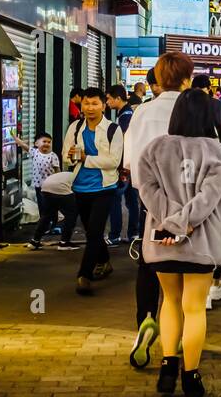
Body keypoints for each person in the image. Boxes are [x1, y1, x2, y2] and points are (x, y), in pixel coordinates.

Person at [137, 89, 221, 397]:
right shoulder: (217, 151)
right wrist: (185, 222)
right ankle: (191, 377)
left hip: (162, 241)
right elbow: (209, 197)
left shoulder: (154, 149)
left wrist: (170, 221)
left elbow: (147, 190)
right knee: (194, 308)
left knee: (169, 302)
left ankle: (168, 365)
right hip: (201, 244)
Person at [125, 54, 195, 367]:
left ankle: (147, 318)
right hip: (188, 202)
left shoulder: (143, 112)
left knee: (149, 262)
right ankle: (177, 334)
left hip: (151, 200)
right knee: (184, 266)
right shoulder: (195, 109)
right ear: (187, 79)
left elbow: (129, 161)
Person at [63, 88, 123, 295]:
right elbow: (65, 155)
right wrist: (71, 156)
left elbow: (113, 161)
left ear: (103, 106)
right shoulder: (75, 127)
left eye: (95, 103)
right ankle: (104, 261)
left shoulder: (113, 129)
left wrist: (86, 158)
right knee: (91, 231)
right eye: (86, 104)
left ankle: (84, 275)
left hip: (104, 187)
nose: (90, 108)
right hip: (80, 187)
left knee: (95, 232)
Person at [15, 131, 61, 248]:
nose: (47, 144)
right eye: (44, 141)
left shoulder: (53, 156)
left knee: (52, 207)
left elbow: (57, 171)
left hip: (50, 187)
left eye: (49, 142)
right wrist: (16, 140)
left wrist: (59, 182)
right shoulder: (35, 152)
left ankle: (53, 226)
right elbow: (25, 146)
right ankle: (44, 226)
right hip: (39, 186)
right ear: (36, 143)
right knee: (42, 207)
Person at [106, 84, 139, 245]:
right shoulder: (128, 113)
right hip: (132, 162)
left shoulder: (125, 116)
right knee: (132, 200)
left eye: (109, 99)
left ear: (118, 98)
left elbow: (123, 139)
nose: (107, 102)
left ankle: (114, 235)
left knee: (115, 198)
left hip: (124, 164)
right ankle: (134, 233)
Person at [28, 167, 79, 249]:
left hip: (45, 187)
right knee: (71, 215)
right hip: (60, 188)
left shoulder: (66, 174)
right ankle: (64, 243)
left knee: (46, 215)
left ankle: (34, 241)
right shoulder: (80, 177)